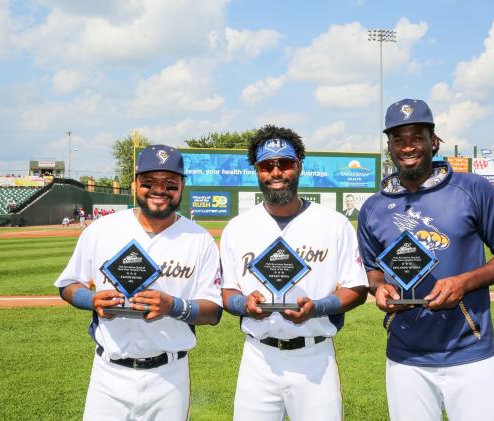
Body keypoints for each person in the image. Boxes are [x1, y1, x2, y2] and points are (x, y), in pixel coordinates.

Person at [357, 99, 494, 421]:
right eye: (398, 139)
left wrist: (464, 282)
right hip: (406, 356)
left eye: (416, 137)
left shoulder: (472, 188)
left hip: (470, 352)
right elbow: (371, 269)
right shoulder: (373, 207)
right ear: (390, 147)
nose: (408, 147)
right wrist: (377, 288)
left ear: (433, 142)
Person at [54, 145, 222, 420]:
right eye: (149, 182)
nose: (159, 190)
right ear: (135, 185)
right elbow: (68, 285)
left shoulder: (199, 239)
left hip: (170, 376)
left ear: (182, 185)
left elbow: (214, 312)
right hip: (109, 374)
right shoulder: (101, 230)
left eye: (169, 183)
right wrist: (91, 300)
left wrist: (173, 306)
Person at [220, 125, 368, 421]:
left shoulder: (333, 224)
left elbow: (357, 288)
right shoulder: (238, 227)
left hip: (314, 357)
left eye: (285, 163)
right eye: (267, 165)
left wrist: (317, 308)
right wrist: (244, 305)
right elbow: (227, 292)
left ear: (298, 165)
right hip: (258, 357)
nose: (276, 173)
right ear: (257, 171)